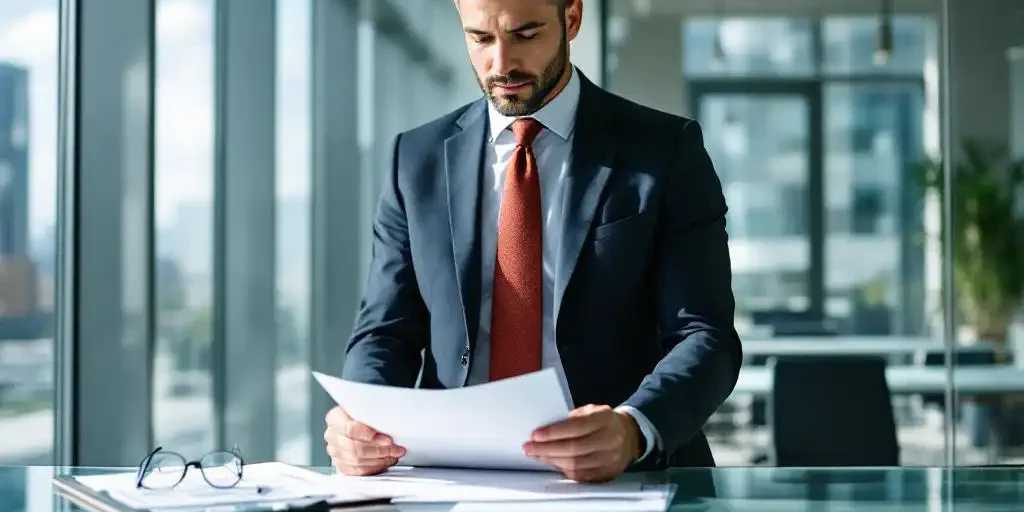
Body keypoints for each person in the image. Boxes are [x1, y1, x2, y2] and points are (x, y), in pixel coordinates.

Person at [324, 0, 742, 483]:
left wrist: (633, 427)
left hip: (621, 478)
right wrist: (362, 418)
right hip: (453, 477)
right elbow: (384, 331)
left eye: (524, 35)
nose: (501, 64)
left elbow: (705, 335)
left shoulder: (664, 151)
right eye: (480, 39)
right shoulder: (415, 160)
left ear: (572, 19)